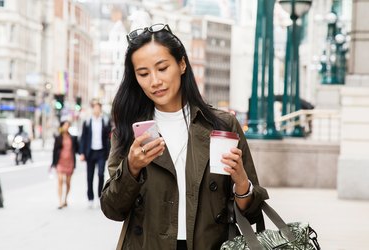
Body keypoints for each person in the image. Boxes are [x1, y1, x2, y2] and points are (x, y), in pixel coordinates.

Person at [100, 24, 268, 250]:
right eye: (143, 73)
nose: (154, 81)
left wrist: (241, 182)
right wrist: (131, 168)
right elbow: (112, 209)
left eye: (162, 68)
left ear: (181, 64)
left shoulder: (222, 125)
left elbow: (253, 212)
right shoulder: (129, 132)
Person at [79, 99, 111, 208]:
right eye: (95, 107)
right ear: (92, 109)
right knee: (90, 176)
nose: (96, 109)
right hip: (90, 152)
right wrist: (82, 152)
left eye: (98, 107)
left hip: (101, 152)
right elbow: (83, 138)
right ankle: (90, 198)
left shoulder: (105, 121)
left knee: (101, 174)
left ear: (100, 109)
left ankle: (99, 196)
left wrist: (109, 151)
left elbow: (109, 137)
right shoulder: (87, 122)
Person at [51, 120, 79, 209]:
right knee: (60, 180)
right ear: (62, 126)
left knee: (68, 182)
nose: (66, 127)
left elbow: (77, 149)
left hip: (70, 162)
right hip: (60, 161)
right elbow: (55, 150)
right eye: (65, 125)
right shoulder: (58, 137)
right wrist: (53, 163)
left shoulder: (72, 138)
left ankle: (65, 199)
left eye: (68, 125)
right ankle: (60, 201)